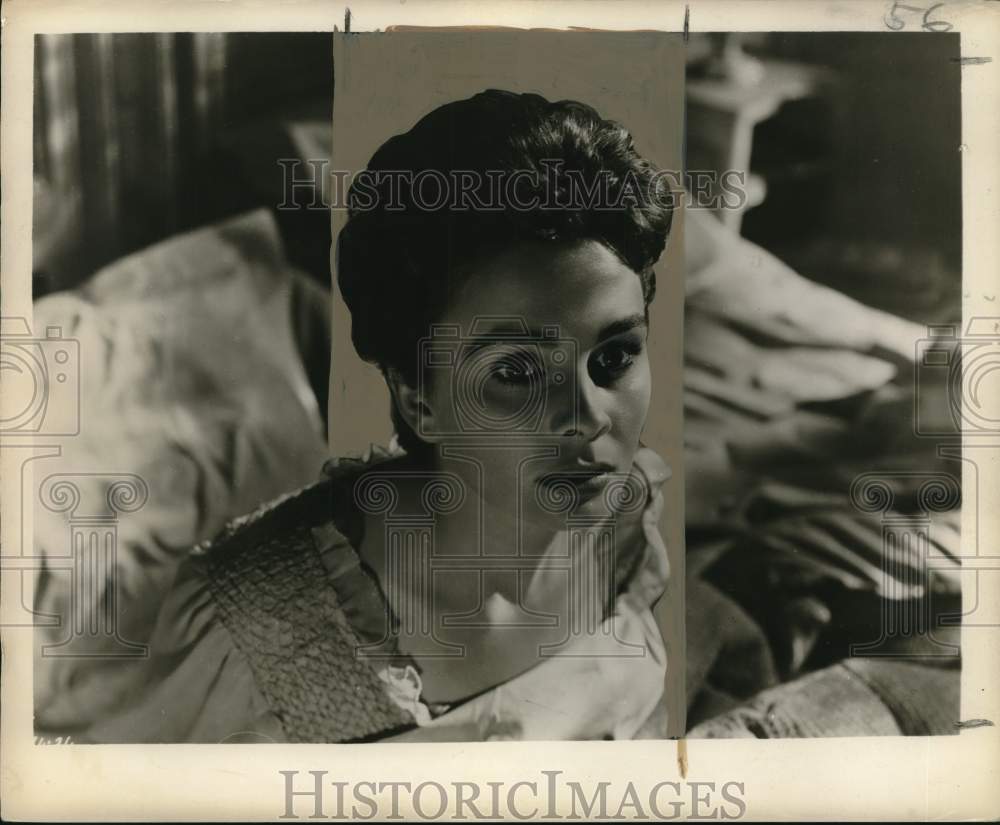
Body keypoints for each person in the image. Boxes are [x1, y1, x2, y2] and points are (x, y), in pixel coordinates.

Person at [86, 89, 676, 743]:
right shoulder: (254, 636)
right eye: (516, 373)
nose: (589, 417)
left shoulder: (623, 519)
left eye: (615, 356)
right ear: (419, 397)